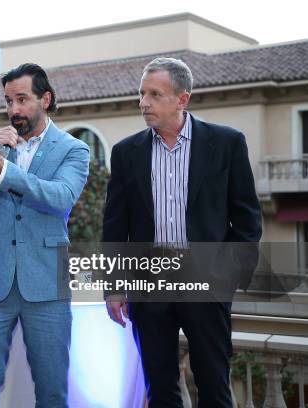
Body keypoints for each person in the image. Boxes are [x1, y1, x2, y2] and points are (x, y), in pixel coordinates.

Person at [101, 57, 262, 407]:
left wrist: (227, 276)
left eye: (155, 94)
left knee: (215, 387)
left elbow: (248, 218)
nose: (144, 102)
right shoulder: (126, 152)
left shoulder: (227, 143)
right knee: (160, 390)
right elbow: (115, 225)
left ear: (182, 99)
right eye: (142, 93)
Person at [0, 63, 90, 407]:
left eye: (22, 99)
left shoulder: (73, 149)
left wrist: (5, 173)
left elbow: (60, 198)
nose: (14, 109)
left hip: (47, 282)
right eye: (8, 101)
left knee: (52, 391)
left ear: (45, 99)